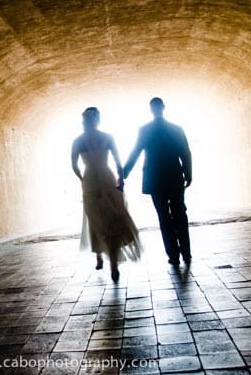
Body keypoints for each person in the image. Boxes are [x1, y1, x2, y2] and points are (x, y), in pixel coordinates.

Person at [71, 107, 141, 282]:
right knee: (113, 220)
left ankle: (99, 256)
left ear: (84, 121)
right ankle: (114, 265)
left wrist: (82, 178)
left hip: (90, 182)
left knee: (95, 219)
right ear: (98, 120)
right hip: (108, 178)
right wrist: (121, 179)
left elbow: (74, 165)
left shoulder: (78, 141)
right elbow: (118, 161)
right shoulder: (107, 137)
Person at [123, 97, 192, 266]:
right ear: (163, 107)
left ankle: (173, 256)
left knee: (164, 217)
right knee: (180, 214)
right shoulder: (176, 129)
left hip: (155, 179)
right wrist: (188, 174)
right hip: (175, 176)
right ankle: (186, 252)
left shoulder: (145, 130)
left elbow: (135, 152)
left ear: (151, 110)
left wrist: (123, 173)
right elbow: (185, 152)